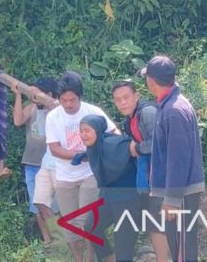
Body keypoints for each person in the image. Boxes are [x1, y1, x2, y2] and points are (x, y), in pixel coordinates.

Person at [45, 71, 118, 262]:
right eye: (64, 100)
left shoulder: (92, 112)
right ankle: (78, 259)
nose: (68, 104)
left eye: (73, 100)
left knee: (88, 221)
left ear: (80, 97)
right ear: (59, 98)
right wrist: (79, 155)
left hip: (90, 174)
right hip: (64, 176)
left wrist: (99, 154)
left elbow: (114, 132)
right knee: (70, 225)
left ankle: (90, 259)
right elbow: (54, 149)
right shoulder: (53, 117)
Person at [141, 55, 205, 262]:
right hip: (179, 192)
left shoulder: (174, 111)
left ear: (150, 81)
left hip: (181, 193)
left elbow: (178, 159)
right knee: (180, 247)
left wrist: (172, 199)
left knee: (183, 251)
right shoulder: (171, 105)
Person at [111, 80, 170, 261]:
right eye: (118, 99)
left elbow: (160, 143)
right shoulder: (130, 119)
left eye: (126, 97)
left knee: (158, 225)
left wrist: (136, 149)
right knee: (154, 224)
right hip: (148, 178)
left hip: (162, 178)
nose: (123, 103)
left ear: (136, 96)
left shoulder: (148, 113)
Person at [80, 114, 140, 262]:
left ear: (98, 130)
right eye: (81, 131)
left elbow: (133, 148)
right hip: (107, 197)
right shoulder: (94, 147)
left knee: (123, 244)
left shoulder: (115, 144)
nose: (83, 135)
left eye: (87, 130)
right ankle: (109, 258)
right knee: (91, 227)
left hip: (128, 199)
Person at [12, 77, 59, 245]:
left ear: (49, 94)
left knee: (53, 205)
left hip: (52, 165)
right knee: (36, 204)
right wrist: (18, 95)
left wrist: (47, 102)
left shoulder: (56, 110)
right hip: (31, 164)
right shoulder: (31, 108)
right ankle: (47, 240)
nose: (34, 96)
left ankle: (58, 238)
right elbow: (17, 121)